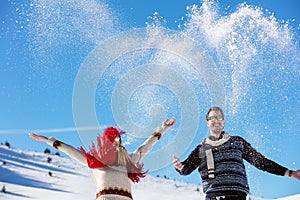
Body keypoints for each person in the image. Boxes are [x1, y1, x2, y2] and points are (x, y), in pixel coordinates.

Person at [30, 118, 175, 200]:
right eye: (112, 140)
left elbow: (145, 147)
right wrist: (49, 141)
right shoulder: (95, 162)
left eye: (118, 140)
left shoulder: (127, 160)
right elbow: (71, 151)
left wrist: (162, 129)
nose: (115, 143)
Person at [173, 107, 300, 200]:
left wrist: (289, 173)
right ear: (207, 122)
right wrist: (180, 167)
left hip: (238, 196)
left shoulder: (238, 142)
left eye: (219, 117)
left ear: (224, 122)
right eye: (212, 118)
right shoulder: (201, 149)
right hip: (214, 196)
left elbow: (261, 162)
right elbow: (186, 170)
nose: (216, 120)